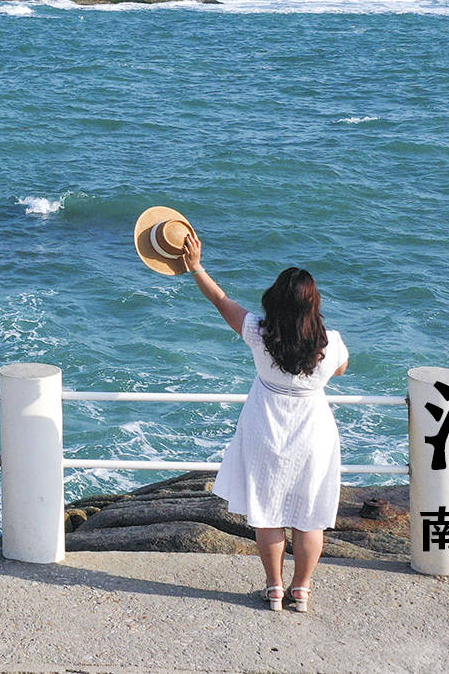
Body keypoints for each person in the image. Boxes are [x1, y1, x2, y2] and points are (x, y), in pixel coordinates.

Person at [180, 236, 349, 614]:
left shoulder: (260, 333)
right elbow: (341, 368)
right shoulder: (330, 342)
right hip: (313, 433)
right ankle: (301, 590)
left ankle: (274, 588)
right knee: (309, 518)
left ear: (274, 300)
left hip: (265, 430)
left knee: (268, 513)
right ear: (314, 304)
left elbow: (220, 300)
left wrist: (196, 266)